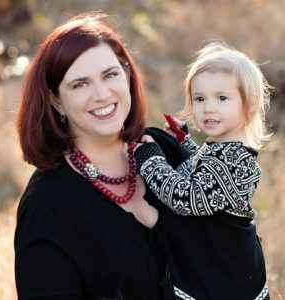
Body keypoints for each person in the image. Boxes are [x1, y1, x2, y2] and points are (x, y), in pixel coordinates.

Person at [14, 12, 191, 299]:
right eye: (80, 84)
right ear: (56, 101)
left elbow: (234, 248)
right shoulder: (47, 207)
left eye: (110, 75)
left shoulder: (165, 148)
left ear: (127, 75)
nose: (102, 94)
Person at [134, 43, 271, 299]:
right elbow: (204, 172)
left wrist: (151, 161)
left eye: (222, 98)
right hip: (218, 265)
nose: (208, 107)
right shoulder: (225, 148)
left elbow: (188, 198)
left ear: (248, 104)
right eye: (200, 98)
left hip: (226, 279)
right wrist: (183, 142)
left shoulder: (236, 159)